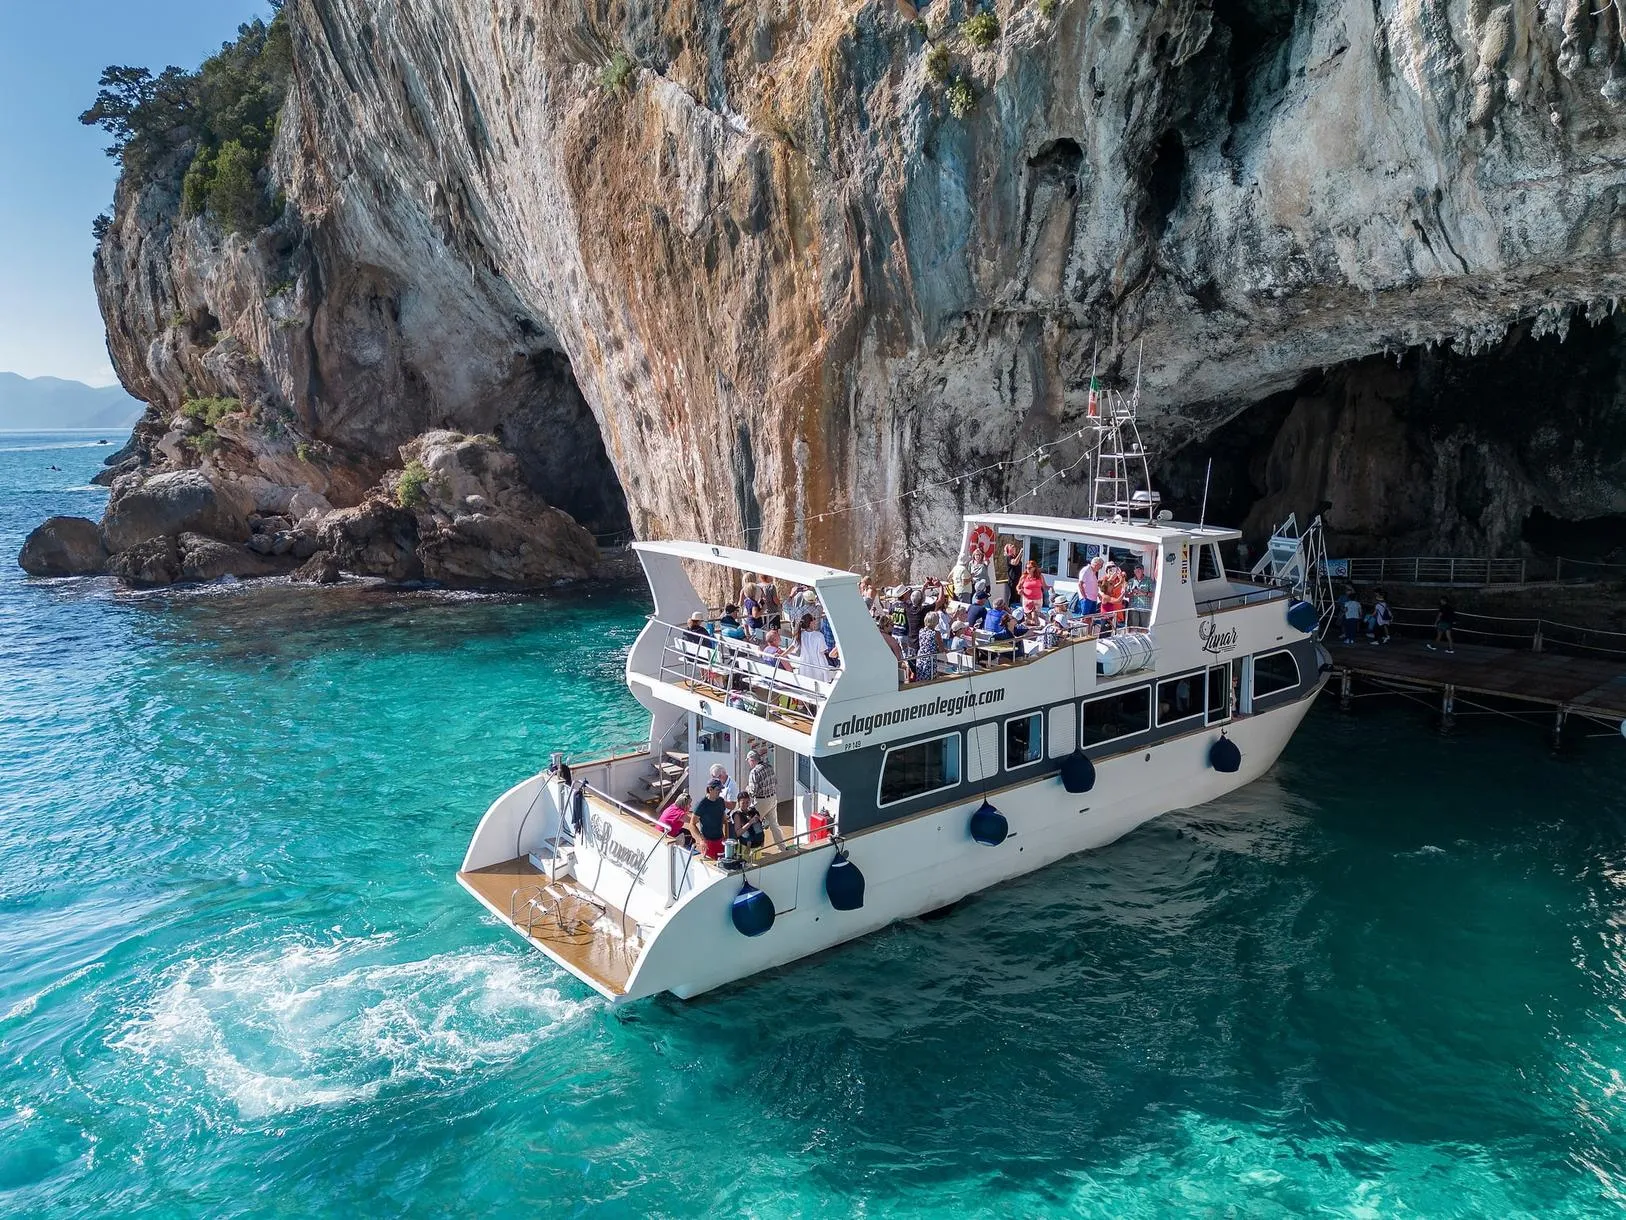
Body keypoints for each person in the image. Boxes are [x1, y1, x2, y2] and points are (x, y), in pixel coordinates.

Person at [691, 781, 729, 859]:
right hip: (708, 843)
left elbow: (725, 820)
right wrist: (702, 839)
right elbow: (692, 824)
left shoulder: (721, 801)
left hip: (720, 840)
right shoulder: (701, 804)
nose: (720, 792)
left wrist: (726, 837)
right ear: (710, 789)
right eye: (718, 789)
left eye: (721, 789)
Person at [797, 612, 835, 681]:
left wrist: (782, 655)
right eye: (814, 619)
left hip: (805, 663)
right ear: (811, 622)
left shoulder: (800, 635)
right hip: (818, 663)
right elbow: (823, 650)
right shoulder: (819, 635)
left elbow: (792, 647)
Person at [1126, 563, 1155, 629]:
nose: (1138, 571)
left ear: (1143, 571)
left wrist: (1143, 593)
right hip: (1133, 608)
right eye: (1136, 569)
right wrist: (1132, 593)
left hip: (1145, 609)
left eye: (1139, 569)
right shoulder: (1131, 581)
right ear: (1134, 571)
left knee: (1144, 629)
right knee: (1133, 629)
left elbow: (1154, 594)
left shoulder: (1149, 580)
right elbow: (1126, 595)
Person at [1099, 562, 1126, 630]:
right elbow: (1117, 600)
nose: (1113, 585)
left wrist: (1121, 576)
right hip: (1106, 618)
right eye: (1111, 584)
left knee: (1110, 633)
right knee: (1104, 635)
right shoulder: (1106, 596)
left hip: (1111, 617)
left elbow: (1120, 583)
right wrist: (1123, 593)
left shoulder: (1109, 590)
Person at [915, 611, 941, 681]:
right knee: (930, 679)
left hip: (921, 657)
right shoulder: (936, 633)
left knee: (921, 679)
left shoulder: (921, 631)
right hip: (930, 659)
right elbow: (942, 649)